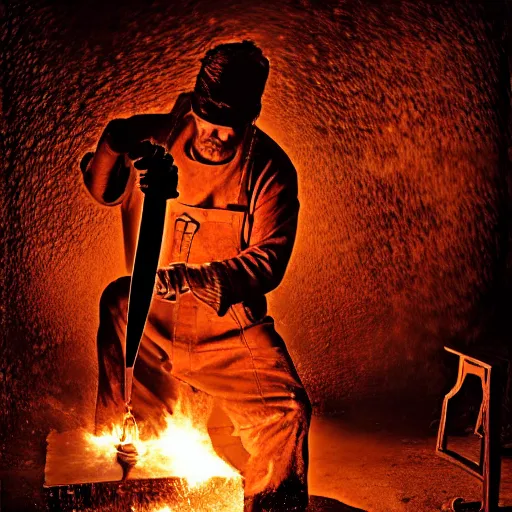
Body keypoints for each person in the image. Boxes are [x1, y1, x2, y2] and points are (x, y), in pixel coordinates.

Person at [81, 40, 311, 512]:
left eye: (233, 128)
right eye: (211, 122)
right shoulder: (157, 137)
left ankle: (271, 507)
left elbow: (269, 260)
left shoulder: (270, 170)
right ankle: (117, 493)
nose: (219, 136)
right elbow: (103, 190)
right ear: (196, 104)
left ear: (252, 117)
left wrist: (193, 278)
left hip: (228, 329)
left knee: (288, 413)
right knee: (119, 302)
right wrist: (113, 141)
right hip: (154, 321)